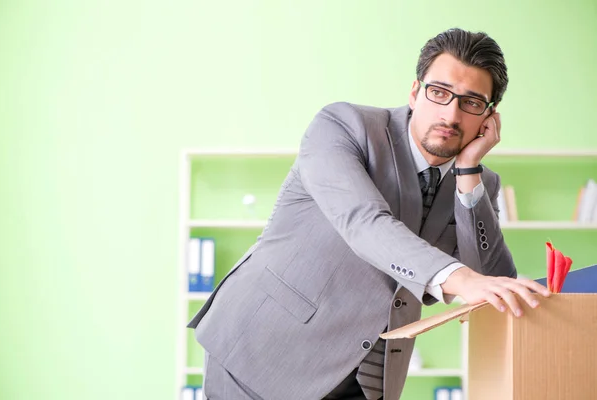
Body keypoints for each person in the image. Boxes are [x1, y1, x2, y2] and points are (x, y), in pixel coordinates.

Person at [187, 28, 550, 400]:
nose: (451, 114)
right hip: (266, 351)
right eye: (439, 93)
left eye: (471, 102)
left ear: (488, 117)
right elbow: (363, 222)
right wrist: (460, 278)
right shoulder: (343, 127)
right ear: (414, 91)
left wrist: (469, 171)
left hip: (366, 376)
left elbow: (490, 285)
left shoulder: (477, 184)